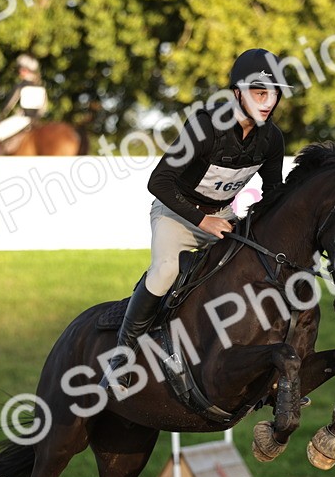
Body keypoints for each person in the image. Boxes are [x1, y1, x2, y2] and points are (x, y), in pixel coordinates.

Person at [102, 48, 292, 392]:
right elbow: (158, 182)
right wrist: (202, 221)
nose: (268, 102)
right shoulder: (206, 129)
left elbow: (274, 191)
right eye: (259, 92)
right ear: (237, 93)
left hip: (222, 217)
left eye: (274, 94)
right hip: (177, 214)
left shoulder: (271, 139)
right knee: (165, 273)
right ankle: (120, 355)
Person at [0, 54, 48, 144]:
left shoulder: (20, 86)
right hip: (38, 120)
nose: (19, 72)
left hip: (23, 119)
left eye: (21, 69)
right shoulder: (41, 86)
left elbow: (10, 104)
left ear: (26, 70)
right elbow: (44, 108)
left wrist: (1, 114)